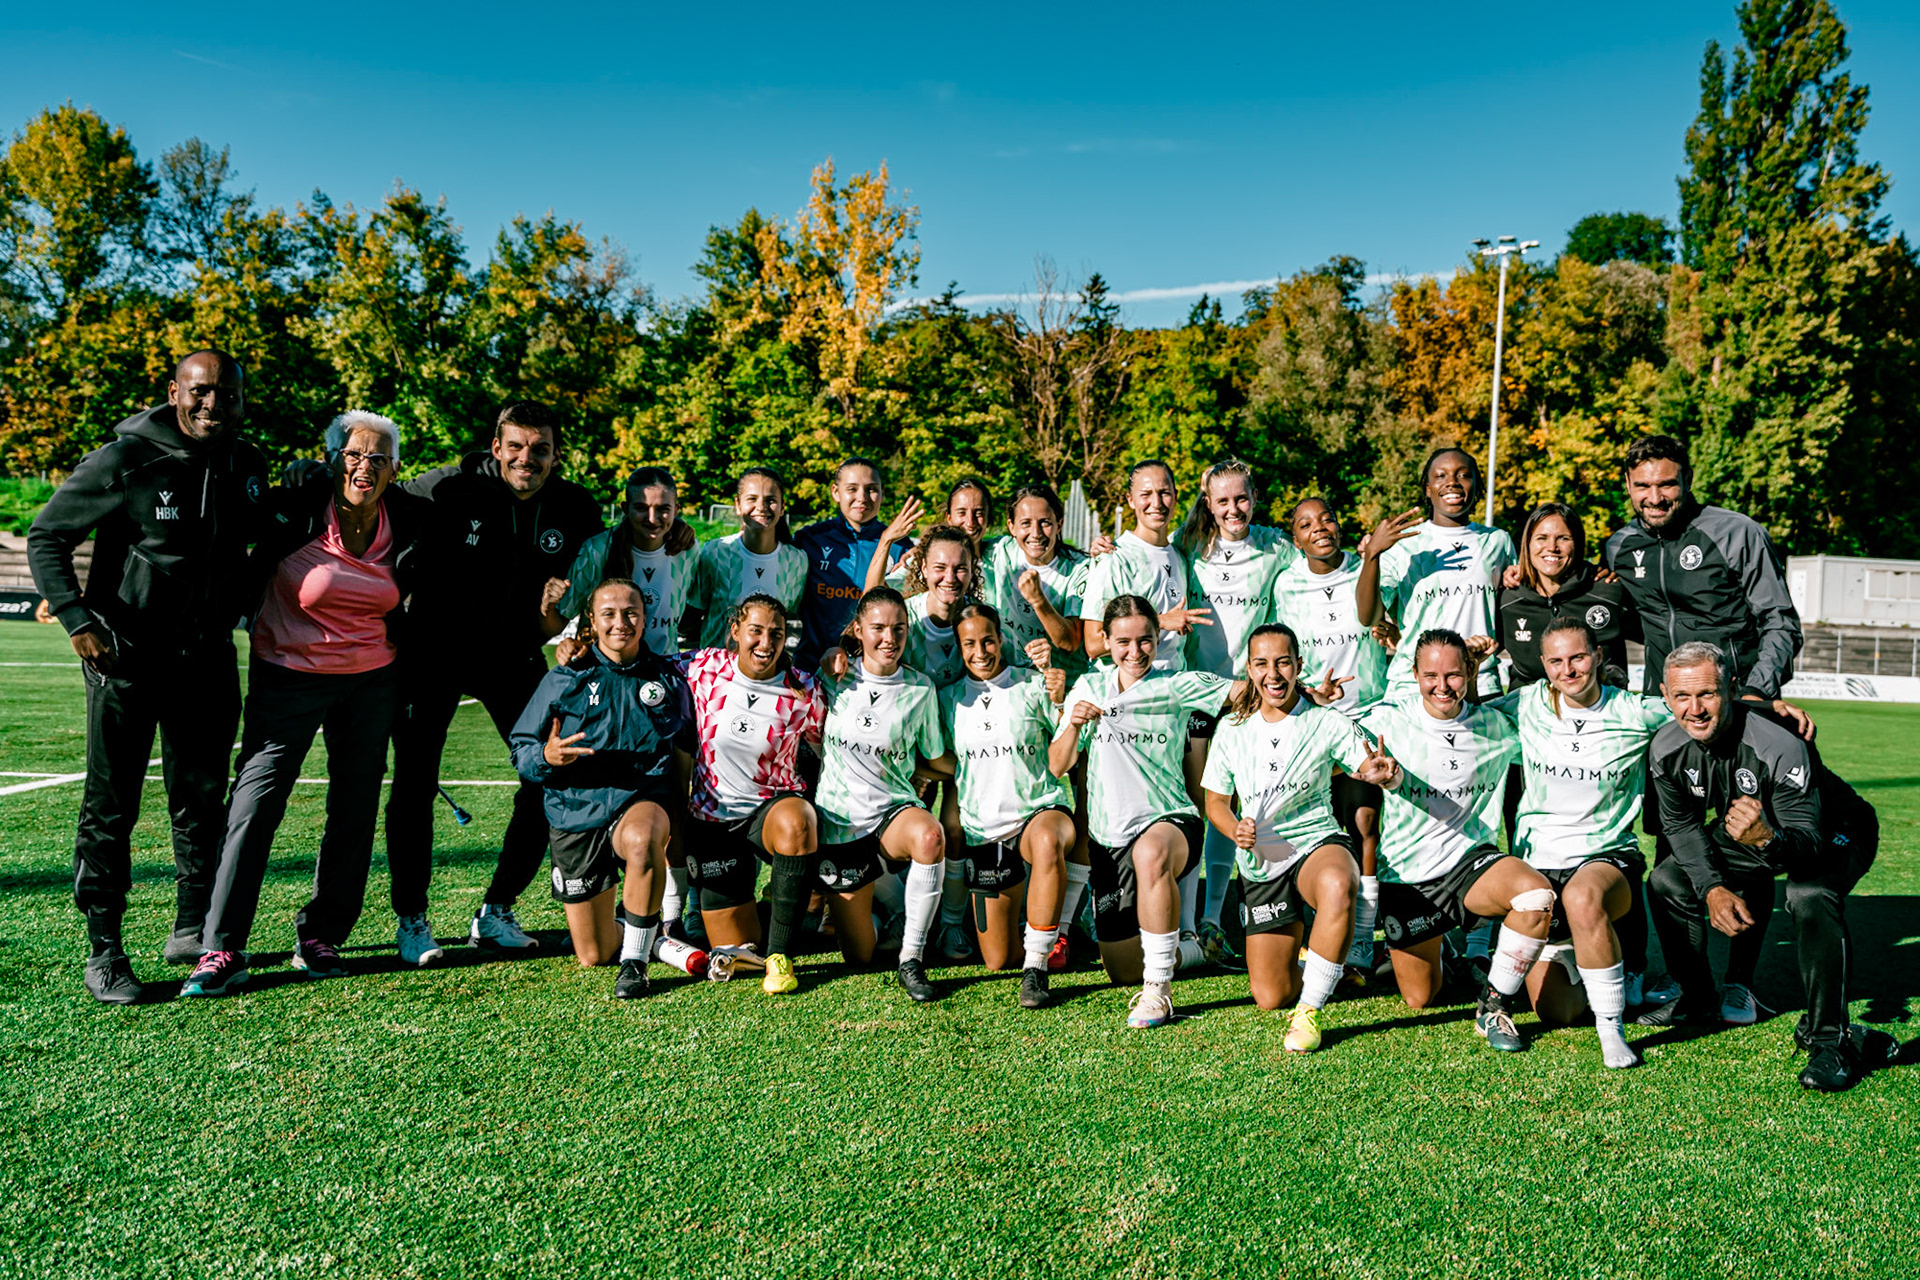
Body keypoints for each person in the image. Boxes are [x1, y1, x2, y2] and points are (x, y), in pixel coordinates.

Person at [28, 350, 269, 1003]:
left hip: (207, 660)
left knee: (201, 803)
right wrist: (78, 618)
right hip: (126, 661)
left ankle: (194, 930)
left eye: (225, 393)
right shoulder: (126, 459)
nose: (212, 404)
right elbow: (46, 536)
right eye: (199, 391)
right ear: (174, 392)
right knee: (112, 809)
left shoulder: (248, 465)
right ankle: (104, 951)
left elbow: (258, 545)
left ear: (240, 400)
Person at [183, 413, 427, 995]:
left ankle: (322, 933)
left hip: (372, 680)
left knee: (355, 805)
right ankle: (221, 947)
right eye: (353, 454)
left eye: (378, 458)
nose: (364, 466)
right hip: (287, 674)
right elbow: (223, 525)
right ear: (331, 458)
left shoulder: (412, 517)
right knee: (256, 800)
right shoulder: (296, 504)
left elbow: (469, 489)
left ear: (394, 468)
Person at [385, 401, 604, 956]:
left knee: (550, 770)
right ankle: (412, 920)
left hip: (513, 658)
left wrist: (669, 536)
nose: (526, 458)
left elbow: (614, 550)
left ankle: (497, 908)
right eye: (516, 446)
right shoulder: (446, 488)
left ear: (556, 455)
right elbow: (373, 490)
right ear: (496, 446)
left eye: (540, 449)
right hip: (432, 655)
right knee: (413, 785)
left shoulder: (574, 506)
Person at [1644, 642, 1885, 1091]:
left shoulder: (1779, 743)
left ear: (1731, 689)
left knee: (1808, 894)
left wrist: (1767, 840)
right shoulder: (1665, 747)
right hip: (1753, 832)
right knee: (1668, 879)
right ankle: (1697, 998)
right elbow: (1680, 826)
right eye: (1681, 697)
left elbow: (1809, 844)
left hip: (1834, 831)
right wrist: (1714, 887)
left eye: (1707, 695)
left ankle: (1830, 1041)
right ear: (1664, 694)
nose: (1694, 710)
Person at [1201, 625, 1397, 1052]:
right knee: (1270, 996)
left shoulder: (1326, 721)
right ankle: (1322, 957)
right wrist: (1233, 827)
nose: (1273, 674)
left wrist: (1379, 771)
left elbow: (1367, 765)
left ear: (1298, 666)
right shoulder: (1232, 730)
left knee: (1337, 882)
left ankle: (1309, 1012)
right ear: (1249, 670)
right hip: (1261, 865)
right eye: (1262, 664)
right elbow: (1215, 801)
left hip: (1315, 844)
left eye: (1283, 662)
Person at [1360, 629, 1555, 1053]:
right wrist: (1365, 767)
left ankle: (1493, 1005)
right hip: (1408, 877)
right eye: (1430, 675)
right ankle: (1446, 951)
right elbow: (1336, 744)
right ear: (1414, 674)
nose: (1442, 686)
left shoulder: (1496, 726)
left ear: (1470, 672)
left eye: (1453, 674)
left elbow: (1553, 744)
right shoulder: (1388, 720)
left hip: (1472, 864)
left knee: (1535, 896)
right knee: (1420, 998)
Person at [1495, 618, 1673, 1069]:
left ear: (1598, 656)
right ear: (1543, 665)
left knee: (1582, 896)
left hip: (1606, 856)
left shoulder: (1633, 711)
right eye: (1556, 661)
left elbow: (1696, 713)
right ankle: (1594, 954)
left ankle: (1611, 1030)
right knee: (1557, 1011)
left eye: (1577, 657)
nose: (1568, 669)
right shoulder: (1527, 703)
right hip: (1540, 864)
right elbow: (1457, 720)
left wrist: (1768, 709)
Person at [1049, 595, 1232, 1029]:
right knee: (1121, 968)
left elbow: (1244, 691)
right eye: (1124, 642)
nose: (1135, 652)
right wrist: (1073, 724)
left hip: (1171, 820)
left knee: (1150, 854)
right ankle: (1195, 950)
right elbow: (1058, 765)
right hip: (1110, 838)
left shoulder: (1177, 684)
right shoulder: (1089, 688)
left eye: (1145, 640)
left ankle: (1158, 993)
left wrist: (1306, 692)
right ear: (1106, 642)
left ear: (1157, 638)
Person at [508, 579, 691, 998]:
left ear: (645, 619)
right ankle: (639, 932)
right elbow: (521, 748)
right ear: (592, 621)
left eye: (631, 613)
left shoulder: (669, 676)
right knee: (593, 952)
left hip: (640, 797)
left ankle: (636, 962)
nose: (620, 622)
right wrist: (547, 758)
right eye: (609, 614)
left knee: (645, 841)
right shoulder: (565, 676)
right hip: (575, 809)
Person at [1175, 459, 1299, 963]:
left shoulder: (1275, 550)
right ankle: (1190, 926)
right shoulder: (1186, 550)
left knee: (1247, 810)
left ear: (1254, 496)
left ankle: (1217, 920)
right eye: (1222, 500)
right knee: (1201, 807)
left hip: (1252, 698)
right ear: (1208, 503)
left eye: (1241, 498)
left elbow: (1320, 571)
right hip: (1200, 700)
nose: (1233, 509)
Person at [676, 594, 825, 995]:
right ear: (736, 632)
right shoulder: (702, 667)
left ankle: (781, 955)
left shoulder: (805, 689)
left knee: (798, 821)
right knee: (739, 950)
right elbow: (646, 669)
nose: (765, 643)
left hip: (771, 810)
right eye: (755, 631)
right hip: (714, 821)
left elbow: (835, 744)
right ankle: (790, 906)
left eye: (775, 634)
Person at [934, 602, 1078, 1008]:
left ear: (1001, 639)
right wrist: (961, 770)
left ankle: (1036, 967)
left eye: (988, 640)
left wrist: (1060, 697)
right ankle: (1036, 925)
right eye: (969, 644)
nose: (980, 651)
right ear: (958, 647)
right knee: (997, 959)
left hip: (1039, 811)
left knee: (1048, 840)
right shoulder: (948, 700)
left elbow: (1065, 748)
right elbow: (935, 757)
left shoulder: (1033, 685)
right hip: (986, 831)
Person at [812, 587, 953, 1001]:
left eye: (899, 629)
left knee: (929, 836)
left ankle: (913, 958)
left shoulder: (920, 689)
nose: (889, 638)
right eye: (878, 628)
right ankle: (889, 906)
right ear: (858, 630)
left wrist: (984, 766)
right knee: (861, 956)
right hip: (840, 826)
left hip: (894, 813)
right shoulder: (833, 676)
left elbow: (934, 758)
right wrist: (826, 656)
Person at [1274, 497, 1393, 980]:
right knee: (1311, 827)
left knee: (1364, 822)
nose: (1319, 528)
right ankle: (1313, 940)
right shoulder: (1285, 583)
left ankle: (1362, 943)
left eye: (1327, 517)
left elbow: (1372, 620)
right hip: (1311, 716)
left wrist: (1372, 559)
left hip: (1365, 715)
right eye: (1306, 524)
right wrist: (1306, 692)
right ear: (1295, 538)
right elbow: (1284, 649)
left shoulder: (1364, 569)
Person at [1602, 435, 1801, 701]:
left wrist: (1757, 690)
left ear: (1689, 479)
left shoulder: (1738, 534)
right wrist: (1527, 576)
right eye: (1643, 486)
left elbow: (1780, 621)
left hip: (1735, 701)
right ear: (1627, 485)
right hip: (1662, 704)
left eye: (1667, 485)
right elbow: (1592, 601)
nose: (1655, 497)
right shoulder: (1618, 547)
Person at [1357, 447, 1514, 700]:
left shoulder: (1498, 542)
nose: (1452, 482)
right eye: (1441, 476)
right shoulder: (1404, 545)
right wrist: (1373, 554)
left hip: (1480, 682)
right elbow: (1368, 617)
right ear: (1428, 490)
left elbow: (1515, 605)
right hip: (1412, 686)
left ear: (1477, 487)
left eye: (1463, 475)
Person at [545, 466, 700, 658]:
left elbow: (694, 611)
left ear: (676, 510)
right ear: (625, 509)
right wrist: (550, 606)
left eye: (663, 509)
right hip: (606, 675)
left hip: (664, 673)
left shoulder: (688, 551)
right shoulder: (596, 550)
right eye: (641, 508)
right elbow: (555, 625)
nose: (652, 519)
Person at [1081, 460, 1209, 671]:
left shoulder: (1180, 555)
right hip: (1129, 695)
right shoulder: (1113, 558)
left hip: (1173, 691)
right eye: (1146, 494)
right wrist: (1159, 621)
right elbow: (1093, 644)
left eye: (1164, 493)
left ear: (1176, 496)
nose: (1156, 503)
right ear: (1130, 500)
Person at [1496, 502, 1638, 689]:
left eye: (1563, 538)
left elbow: (1657, 631)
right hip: (1528, 715)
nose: (1552, 547)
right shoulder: (1509, 599)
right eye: (1541, 538)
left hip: (1599, 714)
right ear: (1527, 544)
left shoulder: (1608, 591)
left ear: (1578, 543)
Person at [794, 458, 907, 671]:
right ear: (836, 492)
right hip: (812, 668)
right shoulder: (809, 539)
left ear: (882, 493)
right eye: (852, 489)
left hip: (870, 673)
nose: (862, 497)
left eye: (871, 489)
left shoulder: (899, 547)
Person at [682, 468, 808, 650]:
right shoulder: (715, 552)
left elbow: (790, 617)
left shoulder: (797, 560)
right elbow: (692, 615)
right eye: (752, 499)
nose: (761, 507)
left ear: (782, 507)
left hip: (767, 671)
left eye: (771, 500)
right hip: (716, 671)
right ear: (738, 505)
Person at [977, 483, 1090, 678]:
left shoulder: (1080, 569)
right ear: (1012, 526)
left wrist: (1038, 600)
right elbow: (956, 546)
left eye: (1045, 522)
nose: (1036, 533)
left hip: (1062, 682)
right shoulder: (1000, 551)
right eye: (1026, 523)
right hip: (1011, 680)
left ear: (1059, 525)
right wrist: (907, 544)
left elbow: (1070, 642)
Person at [866, 477, 995, 594]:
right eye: (961, 513)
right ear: (948, 518)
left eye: (979, 513)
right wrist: (886, 540)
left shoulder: (1001, 553)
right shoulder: (926, 559)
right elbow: (873, 594)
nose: (970, 522)